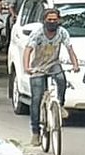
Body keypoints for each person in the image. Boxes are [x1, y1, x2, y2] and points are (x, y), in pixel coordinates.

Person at [23, 8, 79, 146]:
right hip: (38, 67)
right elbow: (28, 50)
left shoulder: (62, 33)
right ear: (44, 21)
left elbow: (70, 49)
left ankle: (60, 104)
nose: (52, 22)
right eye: (50, 20)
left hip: (54, 64)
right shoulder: (37, 34)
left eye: (55, 20)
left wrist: (75, 64)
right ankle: (35, 132)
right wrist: (27, 67)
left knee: (61, 80)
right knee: (36, 99)